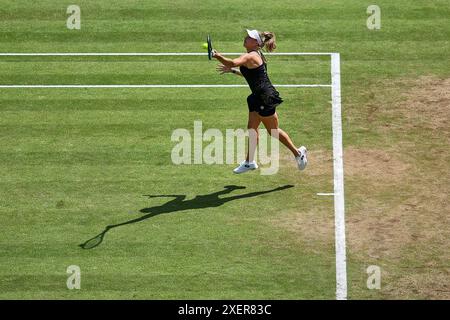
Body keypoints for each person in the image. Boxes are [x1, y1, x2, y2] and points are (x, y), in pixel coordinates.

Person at [213, 29, 307, 174]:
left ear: (256, 43)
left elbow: (232, 62)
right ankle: (249, 162)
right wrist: (231, 71)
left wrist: (216, 55)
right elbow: (250, 76)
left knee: (273, 132)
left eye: (249, 37)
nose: (245, 38)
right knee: (252, 128)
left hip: (265, 98)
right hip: (257, 97)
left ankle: (298, 153)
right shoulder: (254, 55)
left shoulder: (250, 56)